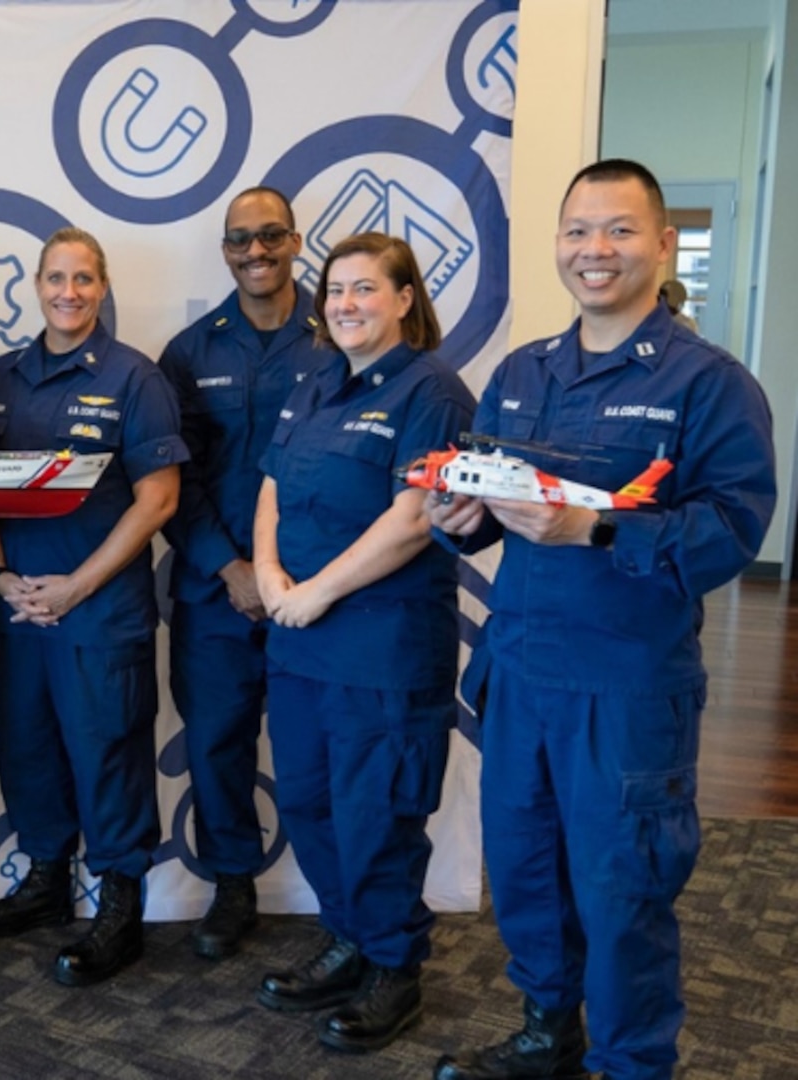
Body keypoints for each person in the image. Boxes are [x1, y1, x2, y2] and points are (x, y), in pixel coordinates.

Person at [430, 160, 776, 1080]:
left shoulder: (709, 384)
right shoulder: (519, 372)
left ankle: (631, 1062)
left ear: (662, 245)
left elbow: (733, 529)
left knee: (623, 891)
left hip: (624, 686)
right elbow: (491, 497)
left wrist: (597, 526)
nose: (595, 250)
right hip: (519, 668)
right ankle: (549, 1031)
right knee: (528, 871)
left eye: (620, 230)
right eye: (578, 229)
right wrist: (454, 517)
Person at [252, 233, 474, 1052]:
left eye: (364, 289)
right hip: (300, 643)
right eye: (335, 290)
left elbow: (414, 518)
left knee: (375, 813)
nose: (344, 304)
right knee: (310, 804)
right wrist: (271, 575)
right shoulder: (313, 381)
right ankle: (347, 937)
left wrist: (316, 592)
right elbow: (272, 483)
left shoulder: (433, 391)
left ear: (404, 298)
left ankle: (392, 966)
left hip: (380, 649)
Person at [0, 227, 187, 987]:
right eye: (56, 278)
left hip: (96, 610)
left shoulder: (134, 378)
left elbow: (159, 499)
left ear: (102, 288)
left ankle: (118, 905)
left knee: (106, 755)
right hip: (20, 606)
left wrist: (77, 585)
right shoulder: (2, 376)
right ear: (34, 284)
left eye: (83, 279)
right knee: (28, 751)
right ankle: (47, 880)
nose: (69, 292)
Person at [157, 186, 336, 960]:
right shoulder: (189, 352)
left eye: (270, 236)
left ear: (296, 241)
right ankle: (232, 884)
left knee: (320, 751)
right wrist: (229, 567)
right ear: (224, 250)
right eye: (239, 240)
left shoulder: (342, 338)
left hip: (318, 596)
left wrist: (301, 581)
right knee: (216, 745)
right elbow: (173, 481)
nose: (254, 252)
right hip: (216, 591)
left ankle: (341, 897)